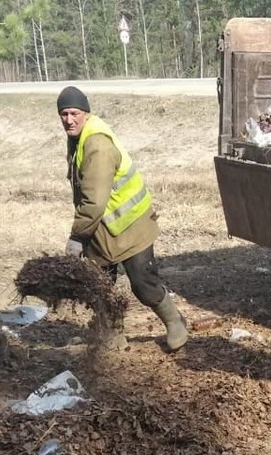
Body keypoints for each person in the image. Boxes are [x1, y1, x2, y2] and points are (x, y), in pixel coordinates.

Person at [57, 86, 188, 351]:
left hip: (131, 225)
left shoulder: (97, 145)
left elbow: (94, 201)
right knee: (102, 289)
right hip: (102, 231)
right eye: (63, 114)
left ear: (86, 113)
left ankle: (175, 322)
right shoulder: (78, 138)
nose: (69, 119)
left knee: (144, 284)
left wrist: (76, 237)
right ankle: (113, 337)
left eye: (74, 113)